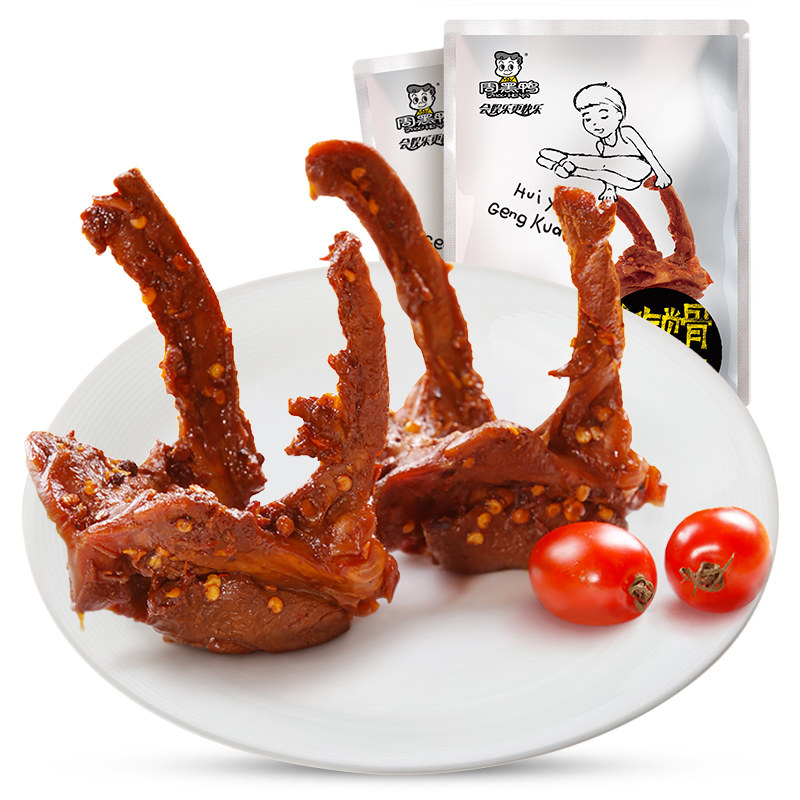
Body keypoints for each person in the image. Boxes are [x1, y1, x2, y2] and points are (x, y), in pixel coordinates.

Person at [537, 82, 672, 202]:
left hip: (640, 168)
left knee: (603, 164)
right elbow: (607, 171)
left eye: (603, 116)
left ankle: (567, 158)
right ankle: (568, 170)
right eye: (588, 119)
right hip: (628, 182)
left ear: (619, 115)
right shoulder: (601, 144)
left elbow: (647, 153)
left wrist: (662, 174)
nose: (595, 123)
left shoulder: (627, 132)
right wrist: (610, 189)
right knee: (602, 173)